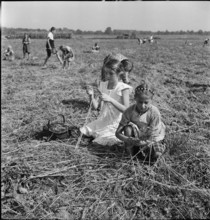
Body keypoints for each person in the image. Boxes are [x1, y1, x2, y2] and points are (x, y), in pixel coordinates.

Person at [80, 58, 133, 146]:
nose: (107, 76)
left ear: (119, 73)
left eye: (111, 73)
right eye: (106, 73)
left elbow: (127, 110)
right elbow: (95, 107)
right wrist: (91, 95)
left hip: (116, 123)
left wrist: (110, 99)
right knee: (82, 132)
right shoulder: (103, 85)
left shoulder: (123, 88)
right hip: (103, 120)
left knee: (99, 143)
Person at [115, 81, 166, 165]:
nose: (142, 106)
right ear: (135, 99)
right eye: (140, 102)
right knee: (127, 128)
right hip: (137, 136)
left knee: (156, 154)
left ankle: (147, 153)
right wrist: (128, 139)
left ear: (151, 100)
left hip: (152, 137)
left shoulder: (154, 113)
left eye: (146, 103)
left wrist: (144, 143)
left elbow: (152, 134)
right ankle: (130, 155)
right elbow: (117, 133)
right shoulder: (129, 111)